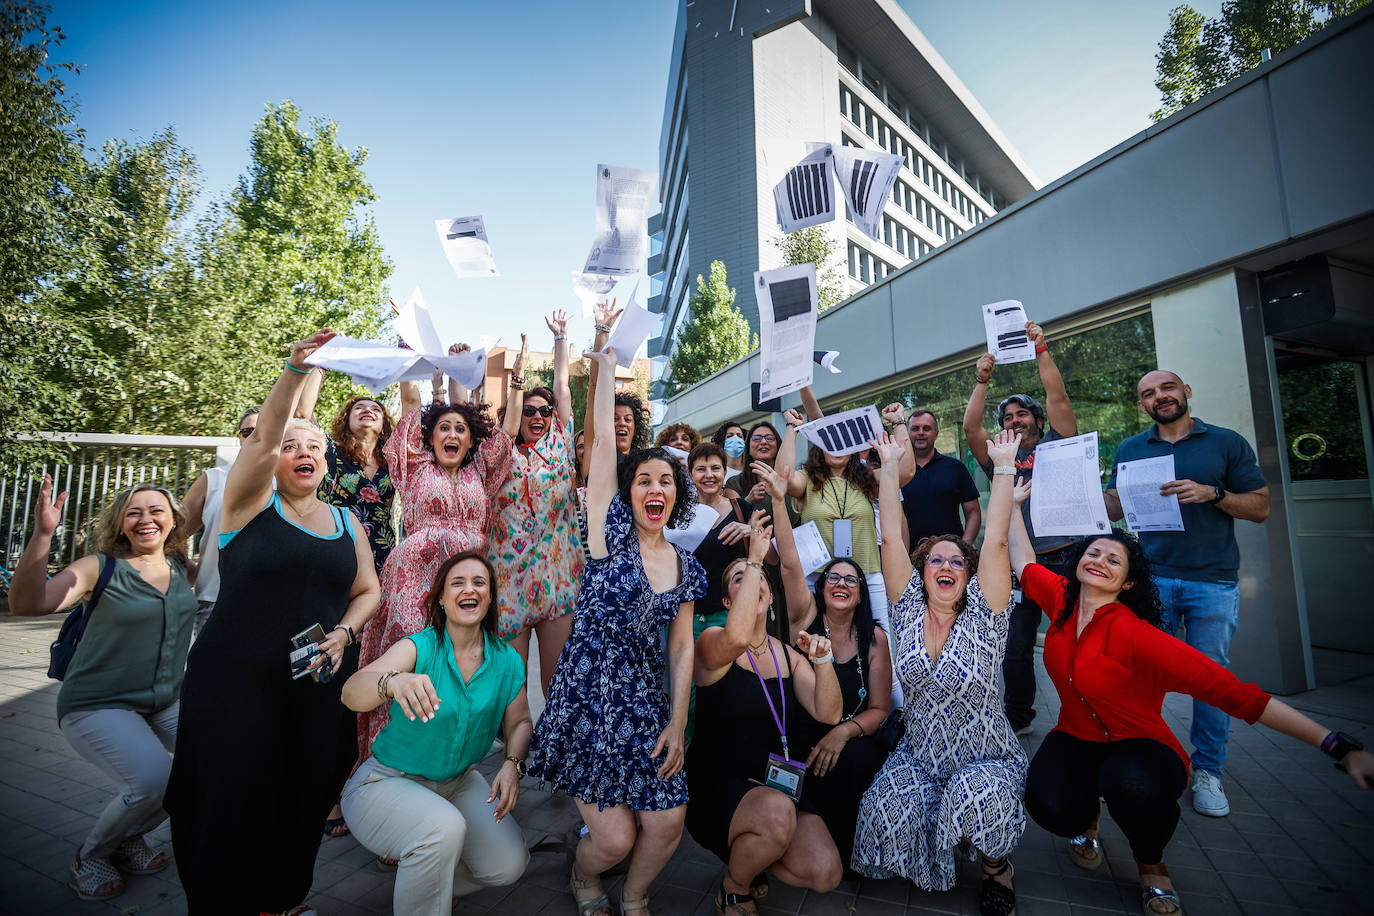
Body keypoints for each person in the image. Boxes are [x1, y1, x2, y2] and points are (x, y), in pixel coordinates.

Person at [1008, 482, 1371, 916]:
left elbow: (1239, 696)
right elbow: (1024, 561)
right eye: (1094, 553)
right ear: (1078, 562)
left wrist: (1336, 744)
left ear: (1128, 583)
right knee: (1048, 805)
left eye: (1114, 559)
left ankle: (1151, 864)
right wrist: (1011, 505)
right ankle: (1088, 818)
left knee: (1133, 786)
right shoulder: (1062, 599)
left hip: (1139, 744)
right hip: (1077, 736)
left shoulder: (1139, 636)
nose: (1100, 561)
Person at [165, 329, 381, 915]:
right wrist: (294, 371)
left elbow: (368, 590)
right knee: (231, 800)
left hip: (312, 687)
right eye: (290, 445)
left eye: (312, 445)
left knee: (302, 793)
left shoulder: (345, 521)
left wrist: (344, 632)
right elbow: (260, 444)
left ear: (326, 459)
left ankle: (280, 902)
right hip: (235, 684)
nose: (302, 452)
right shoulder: (246, 503)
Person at [527, 349, 705, 916]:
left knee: (668, 821)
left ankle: (633, 895)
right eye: (644, 479)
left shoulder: (685, 565)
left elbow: (681, 646)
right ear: (629, 493)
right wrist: (603, 365)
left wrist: (677, 721)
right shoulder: (607, 539)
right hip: (586, 702)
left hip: (645, 705)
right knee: (613, 839)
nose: (655, 487)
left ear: (676, 496)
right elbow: (603, 445)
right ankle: (584, 876)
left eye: (666, 481)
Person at [852, 430, 1025, 916]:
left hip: (985, 755)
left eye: (956, 561)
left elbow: (992, 539)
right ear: (922, 571)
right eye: (935, 560)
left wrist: (1005, 467)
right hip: (921, 752)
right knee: (881, 813)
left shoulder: (986, 616)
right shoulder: (906, 610)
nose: (945, 565)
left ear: (968, 576)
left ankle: (998, 869)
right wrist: (888, 466)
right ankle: (931, 843)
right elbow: (890, 535)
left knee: (978, 798)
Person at [10, 479, 197, 902]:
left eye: (156, 510)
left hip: (163, 700)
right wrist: (43, 534)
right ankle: (91, 855)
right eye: (134, 512)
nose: (146, 519)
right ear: (120, 523)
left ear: (173, 520)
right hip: (97, 703)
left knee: (206, 762)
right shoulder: (100, 567)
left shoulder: (184, 568)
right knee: (154, 779)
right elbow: (27, 604)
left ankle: (128, 836)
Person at [1103, 369, 1270, 818]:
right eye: (1148, 394)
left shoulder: (1226, 442)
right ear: (1142, 405)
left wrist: (1213, 494)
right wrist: (1077, 491)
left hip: (1211, 581)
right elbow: (1117, 505)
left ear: (1185, 392)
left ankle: (1209, 772)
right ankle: (1141, 759)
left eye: (1167, 388)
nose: (1160, 397)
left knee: (1210, 678)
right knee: (1138, 675)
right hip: (1151, 578)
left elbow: (1260, 506)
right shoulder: (1132, 448)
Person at [340, 552, 532, 916]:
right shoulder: (419, 646)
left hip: (458, 784)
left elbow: (520, 722)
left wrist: (512, 764)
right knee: (443, 829)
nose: (469, 589)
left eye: (479, 582)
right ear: (441, 599)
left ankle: (425, 883)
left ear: (490, 597)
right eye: (456, 583)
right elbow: (351, 692)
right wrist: (392, 682)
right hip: (384, 783)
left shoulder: (506, 660)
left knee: (509, 864)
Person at [688, 519, 843, 914]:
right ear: (727, 602)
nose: (751, 580)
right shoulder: (712, 643)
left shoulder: (788, 655)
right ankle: (735, 887)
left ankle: (753, 855)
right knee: (777, 815)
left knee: (825, 872)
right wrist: (754, 557)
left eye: (757, 577)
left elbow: (830, 712)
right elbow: (738, 637)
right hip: (718, 786)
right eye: (738, 579)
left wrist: (823, 661)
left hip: (776, 787)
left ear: (769, 596)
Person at [356, 370, 513, 760]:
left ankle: (447, 754)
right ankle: (389, 755)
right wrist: (423, 368)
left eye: (461, 429)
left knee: (460, 660)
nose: (453, 435)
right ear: (430, 436)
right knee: (411, 655)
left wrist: (471, 375)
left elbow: (501, 440)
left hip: (468, 578)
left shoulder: (481, 472)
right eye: (444, 428)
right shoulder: (417, 465)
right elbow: (411, 406)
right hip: (416, 576)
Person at [751, 458, 892, 867]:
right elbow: (792, 561)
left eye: (851, 579)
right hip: (799, 735)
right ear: (822, 586)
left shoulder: (874, 638)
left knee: (860, 761)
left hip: (849, 736)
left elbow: (881, 707)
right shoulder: (803, 616)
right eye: (834, 577)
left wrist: (844, 733)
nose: (842, 583)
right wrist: (780, 500)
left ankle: (850, 846)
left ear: (862, 594)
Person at [962, 320, 1078, 736]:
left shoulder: (1060, 444)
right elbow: (971, 429)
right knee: (1015, 648)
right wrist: (982, 380)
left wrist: (1042, 348)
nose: (1014, 420)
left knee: (1074, 645)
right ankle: (1018, 718)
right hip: (1017, 564)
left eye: (1022, 413)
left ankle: (1082, 715)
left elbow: (1058, 395)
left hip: (1066, 556)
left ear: (1038, 420)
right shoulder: (998, 457)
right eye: (1008, 416)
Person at [781, 401, 912, 705]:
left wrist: (898, 422)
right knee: (818, 648)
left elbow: (903, 471)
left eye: (843, 441)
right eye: (829, 439)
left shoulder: (867, 480)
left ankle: (893, 716)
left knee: (883, 646)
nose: (836, 446)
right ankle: (824, 710)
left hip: (868, 575)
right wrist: (791, 430)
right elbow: (784, 476)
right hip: (819, 580)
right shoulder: (808, 483)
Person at [489, 312, 583, 703]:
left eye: (544, 411)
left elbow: (562, 388)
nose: (539, 416)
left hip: (558, 578)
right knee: (511, 689)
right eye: (530, 410)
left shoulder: (561, 443)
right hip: (507, 580)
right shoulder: (498, 452)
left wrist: (561, 338)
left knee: (558, 684)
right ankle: (515, 758)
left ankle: (555, 758)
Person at [295, 372, 399, 575]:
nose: (367, 410)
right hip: (335, 546)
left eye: (375, 409)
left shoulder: (393, 460)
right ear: (346, 421)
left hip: (381, 555)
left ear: (383, 425)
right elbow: (303, 414)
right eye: (359, 408)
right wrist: (320, 366)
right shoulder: (331, 452)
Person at [181, 406, 260, 640]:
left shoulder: (291, 482)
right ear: (239, 438)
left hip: (272, 602)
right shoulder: (213, 479)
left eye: (265, 430)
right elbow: (170, 535)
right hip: (214, 601)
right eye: (249, 432)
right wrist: (194, 572)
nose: (257, 437)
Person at [901, 410, 981, 547]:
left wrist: (964, 547)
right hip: (908, 558)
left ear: (936, 434)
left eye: (926, 428)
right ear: (907, 434)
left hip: (950, 556)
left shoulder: (955, 467)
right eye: (915, 429)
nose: (921, 432)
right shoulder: (898, 472)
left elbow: (973, 512)